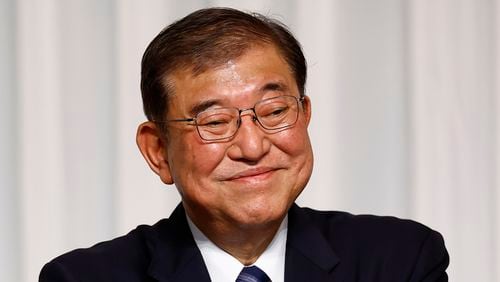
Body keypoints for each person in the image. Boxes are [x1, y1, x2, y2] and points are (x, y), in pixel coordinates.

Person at [39, 7, 449, 282]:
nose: (252, 146)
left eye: (273, 111)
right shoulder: (83, 278)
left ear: (304, 114)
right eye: (215, 121)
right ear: (158, 151)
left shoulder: (399, 261)